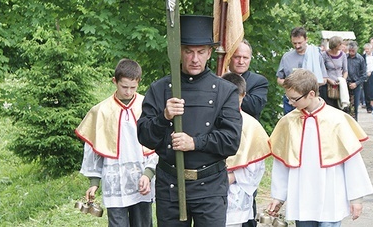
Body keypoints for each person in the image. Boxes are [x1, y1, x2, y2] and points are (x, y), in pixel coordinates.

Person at [137, 15, 242, 227]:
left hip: (210, 188)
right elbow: (145, 136)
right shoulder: (159, 89)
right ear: (179, 51)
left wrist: (194, 142)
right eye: (189, 51)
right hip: (170, 186)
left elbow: (231, 141)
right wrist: (163, 117)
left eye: (201, 51)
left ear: (209, 53)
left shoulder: (225, 91)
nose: (195, 59)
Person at [267, 69, 373, 227]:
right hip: (301, 194)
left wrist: (356, 198)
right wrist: (278, 196)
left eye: (294, 99)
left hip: (331, 194)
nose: (290, 103)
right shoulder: (288, 122)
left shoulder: (337, 119)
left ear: (311, 94)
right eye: (288, 98)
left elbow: (352, 161)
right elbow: (282, 162)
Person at [76, 59, 157, 227]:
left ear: (138, 82)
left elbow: (157, 143)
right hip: (114, 181)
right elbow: (93, 148)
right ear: (115, 81)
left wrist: (148, 173)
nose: (128, 92)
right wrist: (94, 183)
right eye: (124, 87)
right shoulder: (102, 111)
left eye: (132, 88)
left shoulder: (147, 106)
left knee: (142, 223)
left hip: (142, 178)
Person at [222, 72, 270, 227]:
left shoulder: (251, 126)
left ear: (243, 96)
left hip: (236, 193)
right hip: (207, 192)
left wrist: (231, 177)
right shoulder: (207, 120)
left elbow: (256, 166)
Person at [276, 26, 328, 114]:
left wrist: (306, 84)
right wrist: (293, 85)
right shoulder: (286, 57)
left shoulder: (316, 56)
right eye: (294, 43)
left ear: (306, 39)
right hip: (291, 101)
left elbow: (324, 79)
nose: (297, 46)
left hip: (310, 101)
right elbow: (279, 79)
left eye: (300, 43)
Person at [320, 36, 348, 109]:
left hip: (340, 84)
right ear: (336, 45)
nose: (342, 46)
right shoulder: (324, 55)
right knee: (329, 107)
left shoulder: (343, 55)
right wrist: (329, 80)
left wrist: (343, 80)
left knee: (340, 107)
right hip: (328, 84)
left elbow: (345, 70)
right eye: (340, 44)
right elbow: (322, 70)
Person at [346, 41, 367, 121]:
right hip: (346, 84)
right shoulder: (345, 57)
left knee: (355, 106)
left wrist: (356, 83)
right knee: (346, 105)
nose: (351, 53)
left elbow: (364, 75)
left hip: (356, 85)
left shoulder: (360, 59)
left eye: (353, 51)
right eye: (350, 51)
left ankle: (355, 122)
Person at [362, 43, 373, 113]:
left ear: (371, 49)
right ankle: (368, 107)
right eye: (365, 50)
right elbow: (362, 67)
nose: (367, 51)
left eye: (368, 49)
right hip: (367, 75)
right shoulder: (363, 57)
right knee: (367, 91)